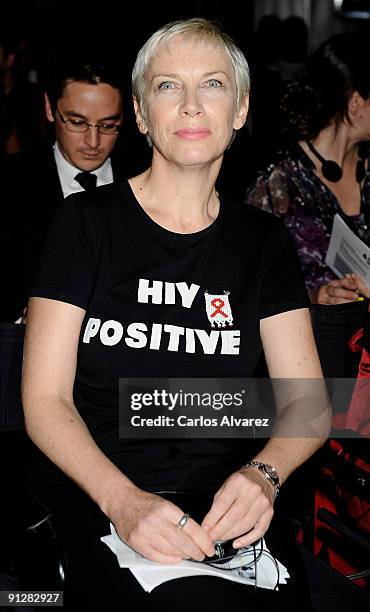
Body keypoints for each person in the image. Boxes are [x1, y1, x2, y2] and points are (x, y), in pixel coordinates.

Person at [22, 18, 330, 611]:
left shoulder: (263, 242)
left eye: (212, 84)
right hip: (102, 495)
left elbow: (307, 402)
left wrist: (263, 476)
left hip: (228, 506)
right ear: (141, 114)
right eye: (168, 87)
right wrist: (124, 502)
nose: (191, 104)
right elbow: (45, 401)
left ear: (240, 109)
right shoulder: (85, 223)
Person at [246, 33, 370, 378]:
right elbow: (242, 292)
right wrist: (313, 297)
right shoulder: (278, 183)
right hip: (309, 365)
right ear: (356, 102)